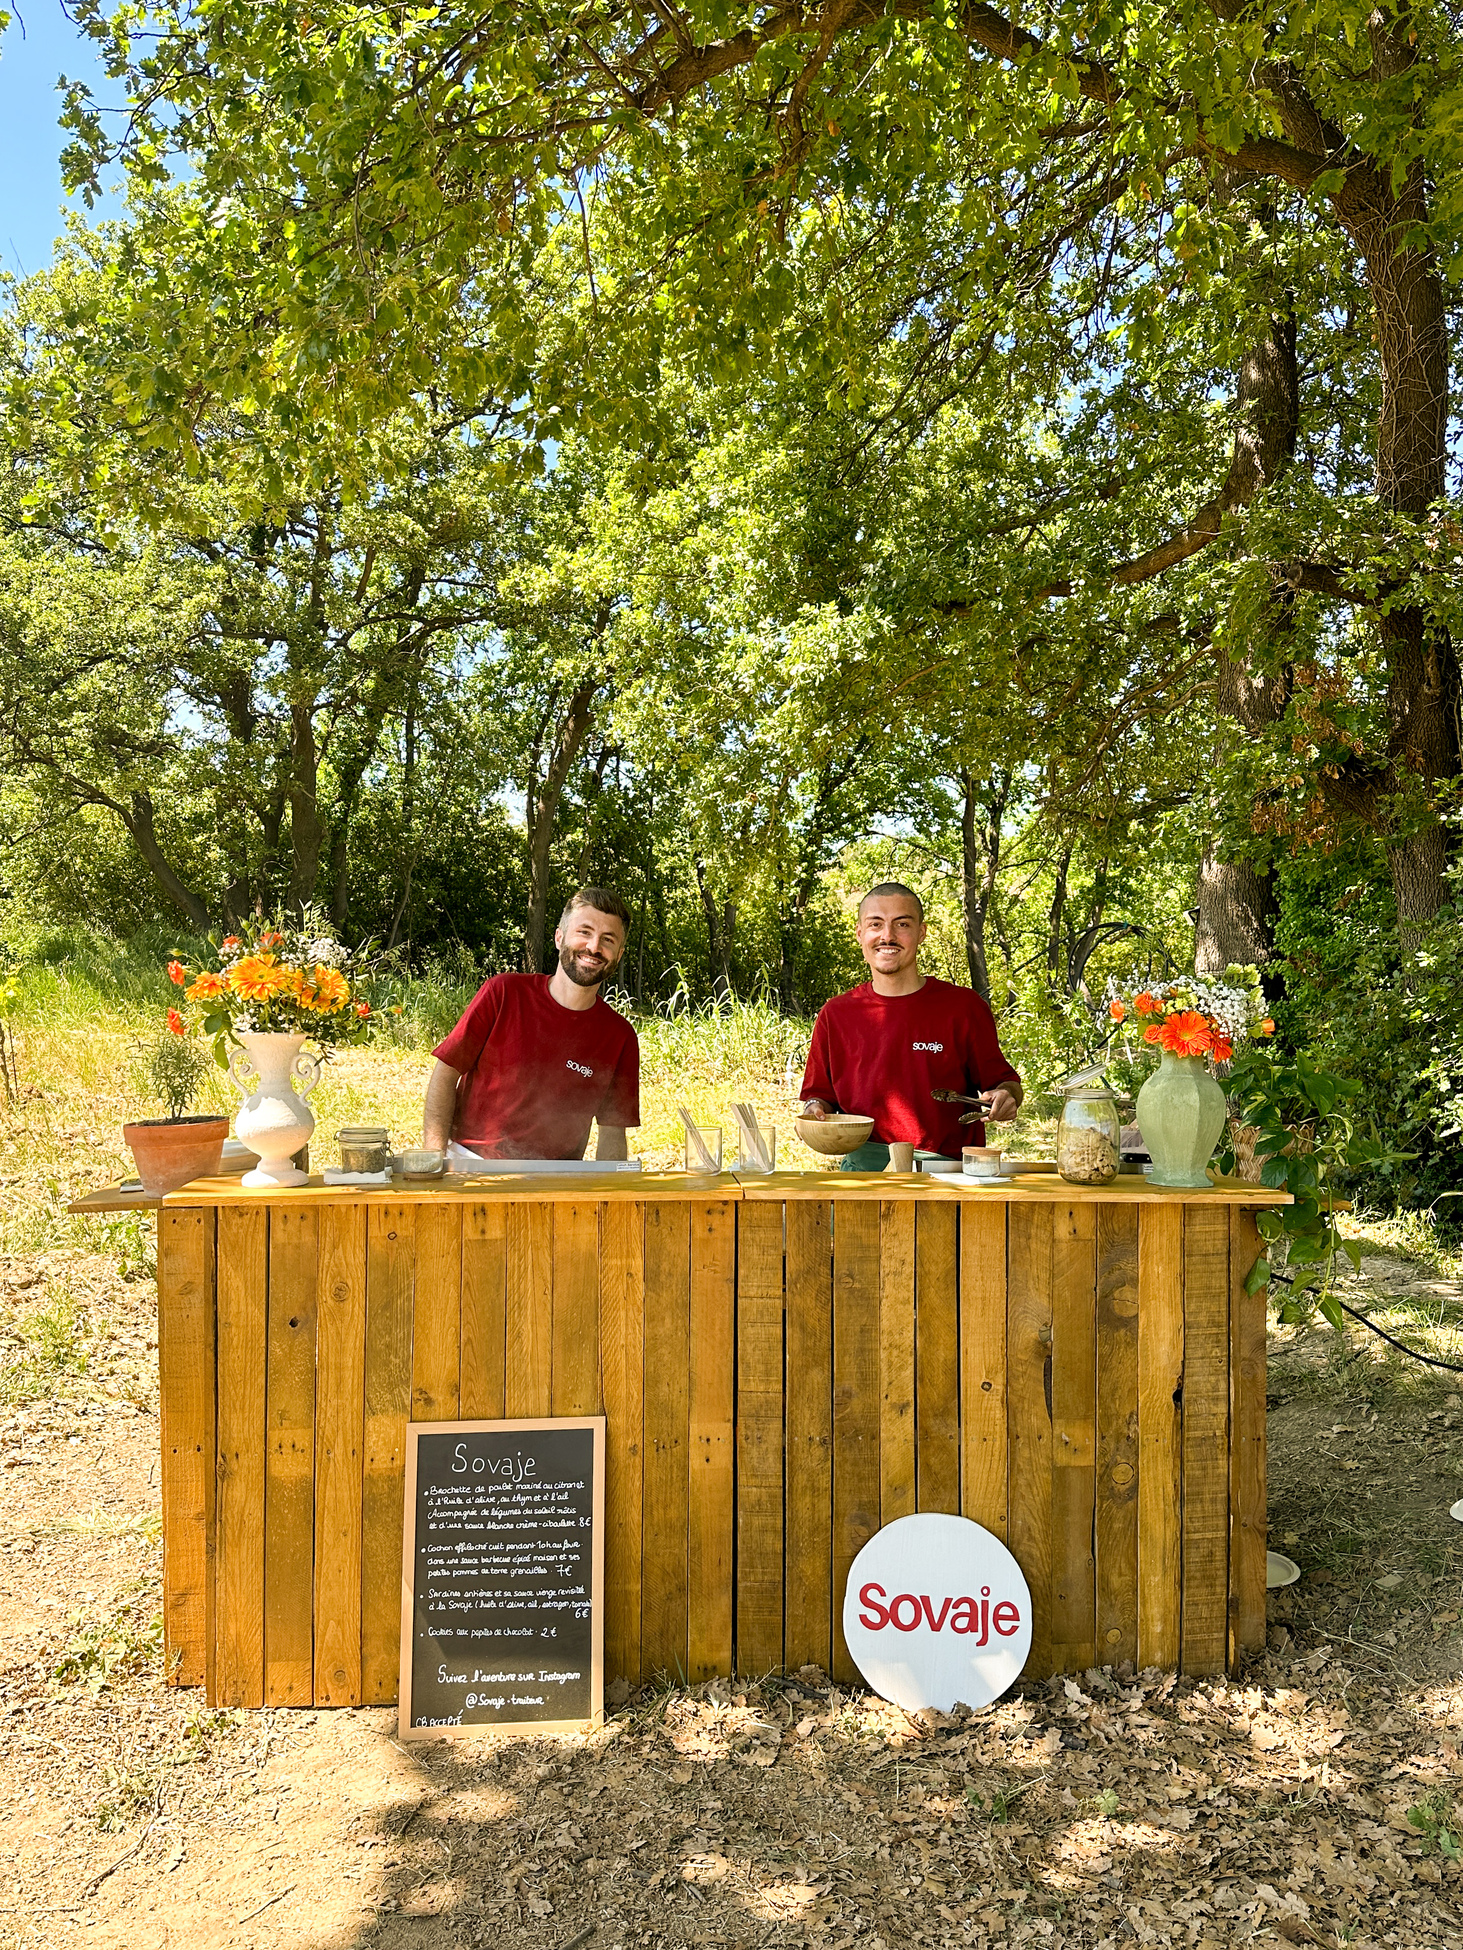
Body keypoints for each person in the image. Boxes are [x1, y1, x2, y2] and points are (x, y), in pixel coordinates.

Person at [800, 882, 1022, 1169]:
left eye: (902, 924)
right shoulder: (836, 1014)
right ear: (860, 934)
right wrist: (814, 1110)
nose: (887, 936)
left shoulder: (963, 1007)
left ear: (921, 933)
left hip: (947, 1172)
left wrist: (1006, 1097)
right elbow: (820, 1096)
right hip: (865, 1171)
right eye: (875, 924)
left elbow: (1006, 1085)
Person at [424, 888, 640, 1162]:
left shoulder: (619, 1036)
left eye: (607, 940)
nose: (594, 947)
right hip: (471, 1164)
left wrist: (610, 1196)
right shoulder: (503, 993)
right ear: (559, 937)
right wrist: (433, 1158)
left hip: (557, 1180)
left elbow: (612, 1132)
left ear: (618, 955)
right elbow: (445, 1074)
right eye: (584, 932)